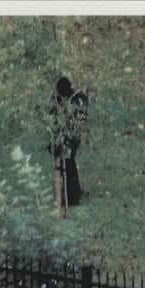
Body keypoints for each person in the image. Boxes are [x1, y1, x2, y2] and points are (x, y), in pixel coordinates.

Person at [48, 76, 89, 208]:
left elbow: (77, 122)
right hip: (66, 135)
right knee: (66, 163)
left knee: (68, 162)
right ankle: (68, 194)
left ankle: (72, 196)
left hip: (72, 136)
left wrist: (67, 136)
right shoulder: (64, 99)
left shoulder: (77, 99)